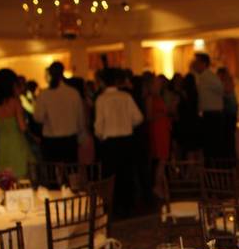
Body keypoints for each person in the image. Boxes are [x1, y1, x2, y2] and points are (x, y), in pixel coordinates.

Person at [95, 68, 143, 217]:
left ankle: (114, 209)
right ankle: (128, 207)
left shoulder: (101, 99)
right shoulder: (126, 96)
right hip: (127, 142)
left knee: (111, 178)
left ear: (102, 82)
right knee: (126, 175)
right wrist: (127, 125)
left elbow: (99, 126)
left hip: (110, 144)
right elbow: (139, 118)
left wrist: (101, 136)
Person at [34, 61, 85, 164]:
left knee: (52, 172)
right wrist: (81, 135)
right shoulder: (73, 93)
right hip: (70, 139)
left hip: (51, 140)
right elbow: (80, 118)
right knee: (71, 170)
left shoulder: (44, 94)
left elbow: (38, 117)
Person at [0, 68, 34, 178]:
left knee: (5, 179)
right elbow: (22, 127)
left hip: (2, 146)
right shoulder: (15, 102)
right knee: (22, 177)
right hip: (17, 144)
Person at [192, 53, 226, 164]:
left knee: (212, 147)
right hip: (209, 116)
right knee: (209, 147)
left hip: (212, 116)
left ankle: (213, 173)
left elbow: (222, 89)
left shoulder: (209, 77)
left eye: (197, 62)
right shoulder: (202, 77)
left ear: (203, 63)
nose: (194, 65)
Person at [145, 73, 172, 200]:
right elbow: (149, 117)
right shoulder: (150, 98)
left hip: (163, 130)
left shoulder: (159, 97)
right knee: (161, 159)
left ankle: (162, 186)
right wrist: (163, 116)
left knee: (163, 159)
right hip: (157, 130)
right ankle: (157, 186)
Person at [218, 66, 239, 160]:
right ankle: (230, 160)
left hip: (229, 114)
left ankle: (229, 161)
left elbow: (226, 92)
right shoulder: (228, 81)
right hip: (230, 113)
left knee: (229, 138)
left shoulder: (227, 82)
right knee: (229, 138)